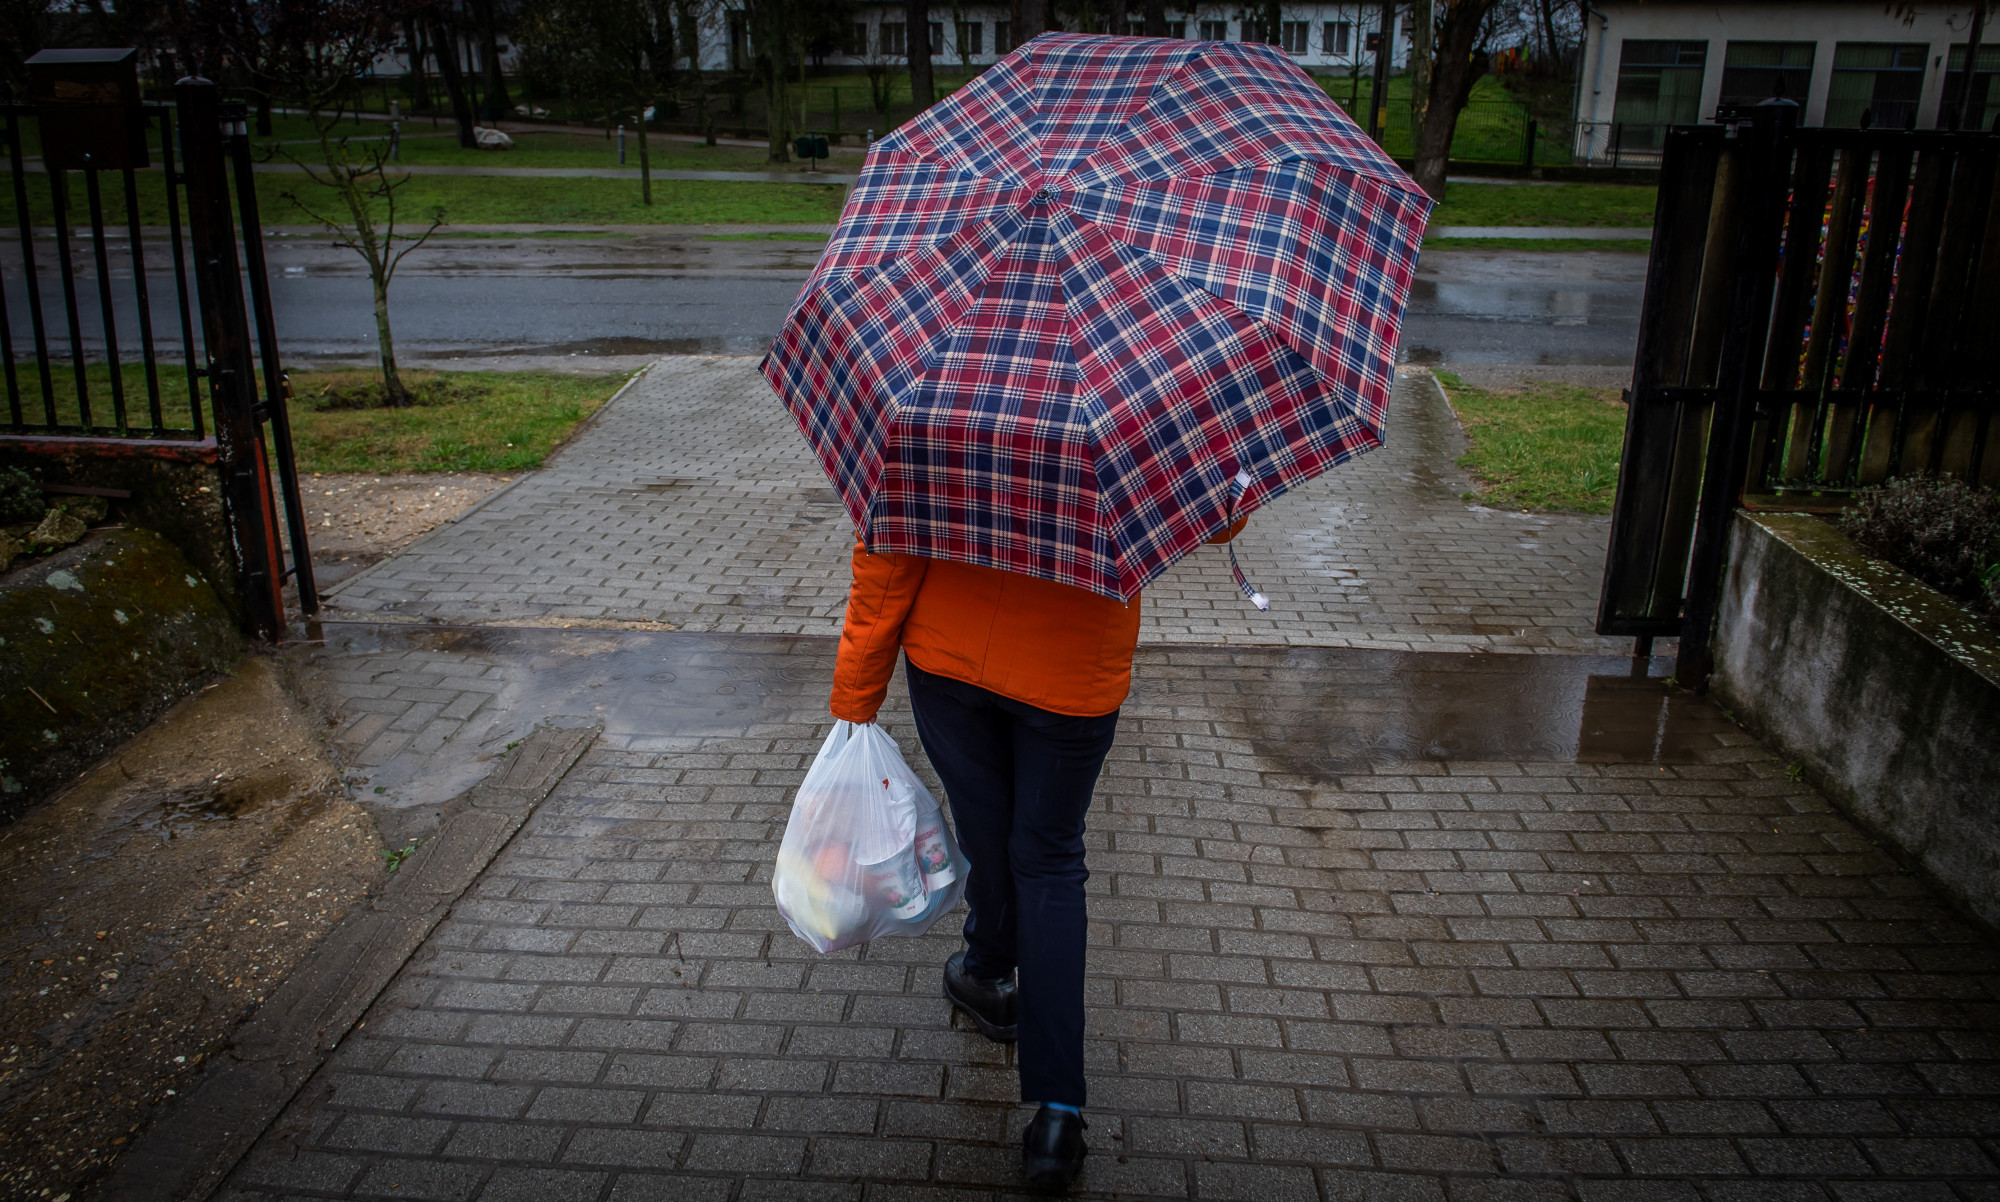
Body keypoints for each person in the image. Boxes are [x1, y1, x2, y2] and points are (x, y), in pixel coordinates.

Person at [826, 520, 1244, 1192]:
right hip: (1073, 668)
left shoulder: (937, 410)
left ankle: (988, 973)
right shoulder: (1129, 412)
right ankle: (1056, 1115)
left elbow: (888, 546)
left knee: (987, 833)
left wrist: (857, 693)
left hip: (950, 654)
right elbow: (1218, 518)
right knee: (1047, 860)